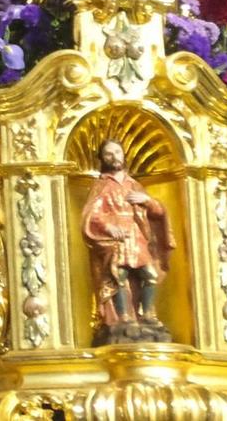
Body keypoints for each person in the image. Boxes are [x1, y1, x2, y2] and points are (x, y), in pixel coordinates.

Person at [80, 138, 174, 344]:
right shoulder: (102, 185)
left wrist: (147, 201)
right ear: (102, 159)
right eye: (109, 154)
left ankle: (148, 315)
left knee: (149, 274)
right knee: (118, 276)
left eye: (117, 152)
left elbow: (158, 212)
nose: (114, 157)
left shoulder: (134, 185)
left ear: (123, 155)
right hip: (116, 239)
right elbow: (92, 215)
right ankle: (124, 318)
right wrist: (109, 227)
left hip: (136, 236)